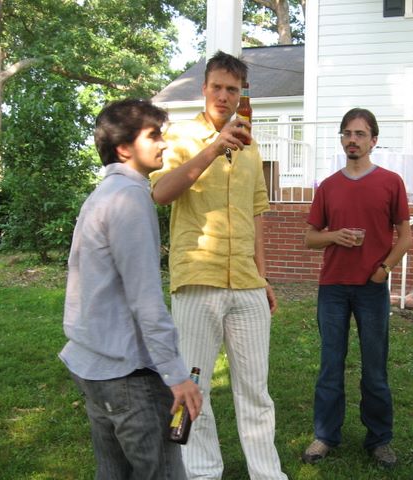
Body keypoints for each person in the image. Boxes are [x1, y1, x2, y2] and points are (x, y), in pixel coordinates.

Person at [150, 51, 287, 480]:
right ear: (204, 88)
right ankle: (202, 472)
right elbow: (161, 193)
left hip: (246, 283)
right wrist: (213, 148)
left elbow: (257, 213)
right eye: (217, 87)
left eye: (233, 89)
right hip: (198, 279)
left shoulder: (251, 145)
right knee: (194, 386)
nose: (224, 96)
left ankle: (267, 474)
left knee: (255, 390)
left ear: (241, 93)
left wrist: (263, 276)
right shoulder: (180, 137)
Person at [60, 99, 203, 479]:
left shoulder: (102, 195)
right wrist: (177, 376)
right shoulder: (128, 198)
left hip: (95, 367)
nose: (163, 143)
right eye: (153, 136)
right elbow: (146, 299)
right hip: (127, 375)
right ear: (124, 148)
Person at [301, 108, 412, 468]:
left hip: (371, 288)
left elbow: (405, 236)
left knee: (374, 368)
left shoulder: (391, 182)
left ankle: (379, 440)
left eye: (360, 134)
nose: (353, 140)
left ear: (373, 140)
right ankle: (325, 436)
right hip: (333, 287)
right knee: (330, 365)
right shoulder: (328, 186)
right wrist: (335, 235)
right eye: (347, 133)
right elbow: (310, 238)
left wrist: (384, 270)